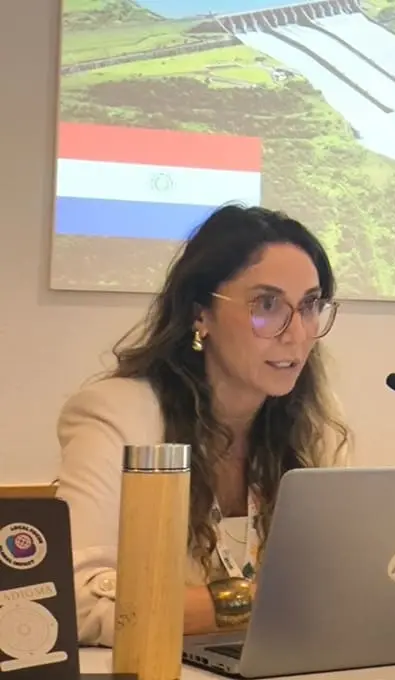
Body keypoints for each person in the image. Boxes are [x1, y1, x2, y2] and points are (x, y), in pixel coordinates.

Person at [55, 205, 351, 646]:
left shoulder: (315, 425)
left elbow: (338, 583)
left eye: (309, 305)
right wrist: (251, 603)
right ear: (200, 314)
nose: (296, 334)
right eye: (267, 305)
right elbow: (73, 599)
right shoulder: (116, 415)